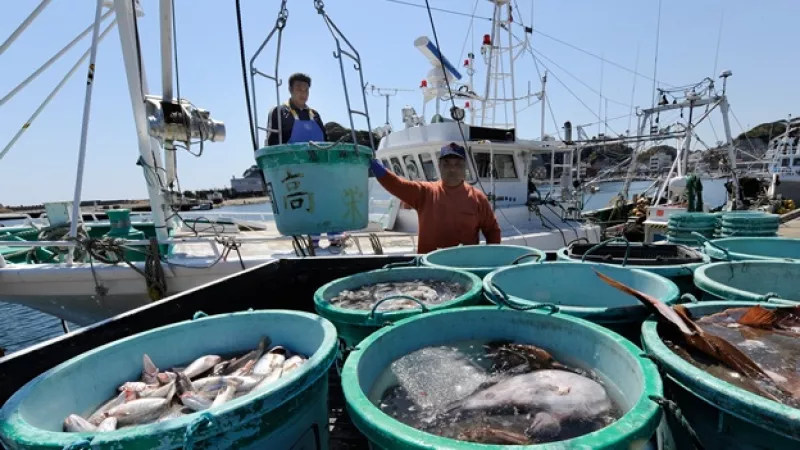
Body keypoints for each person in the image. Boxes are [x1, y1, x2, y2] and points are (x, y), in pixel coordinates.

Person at [369, 143, 502, 253]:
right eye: (446, 163)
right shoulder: (425, 192)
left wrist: (492, 258)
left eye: (457, 164)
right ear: (439, 166)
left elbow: (492, 230)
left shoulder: (478, 198)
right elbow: (396, 185)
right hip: (430, 268)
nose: (452, 169)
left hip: (466, 266)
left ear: (464, 167)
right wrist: (374, 165)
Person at [266, 72, 343, 248]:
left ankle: (335, 236)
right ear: (290, 90)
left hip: (319, 168)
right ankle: (312, 240)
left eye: (306, 90)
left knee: (330, 198)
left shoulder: (314, 114)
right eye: (299, 89)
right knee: (308, 203)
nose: (303, 93)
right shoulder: (280, 112)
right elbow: (271, 144)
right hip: (293, 171)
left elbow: (325, 143)